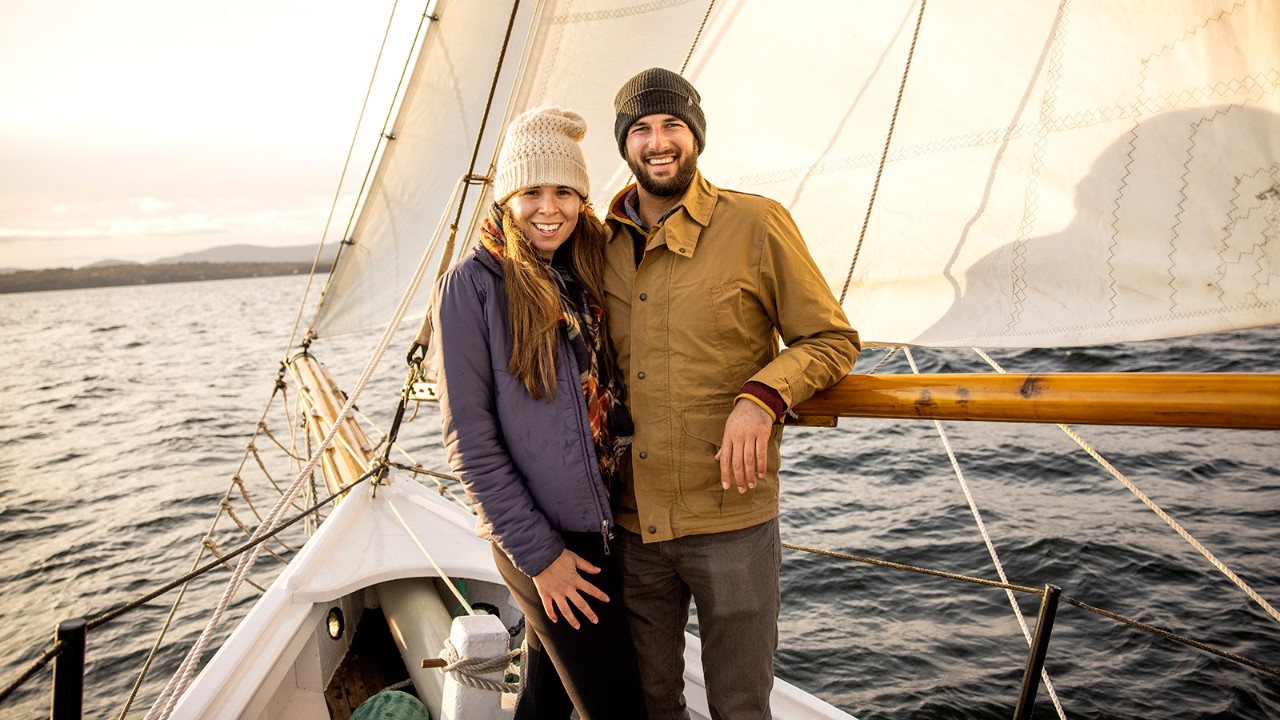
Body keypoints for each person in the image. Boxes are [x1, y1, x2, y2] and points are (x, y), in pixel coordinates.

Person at [602, 68, 862, 719]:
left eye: (672, 126)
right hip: (632, 523)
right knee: (648, 704)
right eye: (641, 130)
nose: (658, 142)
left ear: (696, 136)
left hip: (733, 519)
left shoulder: (757, 224)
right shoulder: (596, 242)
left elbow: (830, 340)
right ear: (624, 144)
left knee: (742, 707)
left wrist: (763, 396)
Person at [430, 106, 646, 720]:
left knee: (546, 702)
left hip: (600, 524)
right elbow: (469, 443)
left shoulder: (583, 270)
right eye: (531, 191)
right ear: (505, 200)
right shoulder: (470, 287)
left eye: (565, 192)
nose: (548, 208)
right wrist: (542, 557)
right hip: (548, 544)